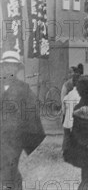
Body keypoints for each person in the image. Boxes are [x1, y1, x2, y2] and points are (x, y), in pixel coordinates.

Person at [0, 51, 46, 190]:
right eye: (7, 66)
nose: (10, 69)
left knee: (10, 166)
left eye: (13, 66)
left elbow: (32, 110)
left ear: (17, 69)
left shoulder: (23, 88)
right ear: (3, 67)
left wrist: (26, 131)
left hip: (14, 137)